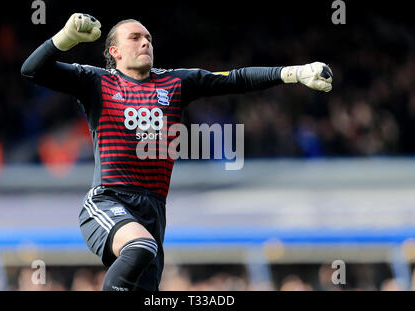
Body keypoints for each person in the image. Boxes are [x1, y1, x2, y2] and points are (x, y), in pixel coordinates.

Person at [20, 13, 333, 291]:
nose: (145, 43)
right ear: (114, 52)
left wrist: (293, 73)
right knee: (140, 246)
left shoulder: (175, 82)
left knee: (145, 259)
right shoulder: (96, 81)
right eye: (135, 38)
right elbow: (32, 70)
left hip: (154, 210)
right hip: (109, 198)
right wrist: (66, 38)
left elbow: (235, 79)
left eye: (148, 38)